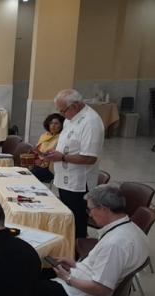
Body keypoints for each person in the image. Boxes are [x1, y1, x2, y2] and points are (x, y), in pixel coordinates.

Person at [36, 185, 148, 296]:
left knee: (27, 284)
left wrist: (67, 278)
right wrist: (75, 265)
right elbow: (105, 268)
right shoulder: (133, 230)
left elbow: (101, 289)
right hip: (85, 282)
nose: (89, 215)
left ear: (103, 209)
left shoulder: (115, 244)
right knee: (34, 272)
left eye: (90, 209)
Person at [42, 89, 104, 239]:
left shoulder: (91, 122)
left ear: (75, 105)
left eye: (63, 111)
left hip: (78, 184)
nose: (62, 115)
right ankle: (68, 245)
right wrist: (54, 153)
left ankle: (77, 248)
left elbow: (89, 158)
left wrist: (63, 157)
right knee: (68, 219)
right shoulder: (71, 117)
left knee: (77, 222)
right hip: (65, 179)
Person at [30, 113, 64, 183]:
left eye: (56, 123)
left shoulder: (62, 137)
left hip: (51, 168)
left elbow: (54, 155)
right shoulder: (44, 135)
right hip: (39, 165)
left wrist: (41, 156)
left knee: (30, 176)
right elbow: (37, 151)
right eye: (51, 123)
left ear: (61, 125)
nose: (53, 126)